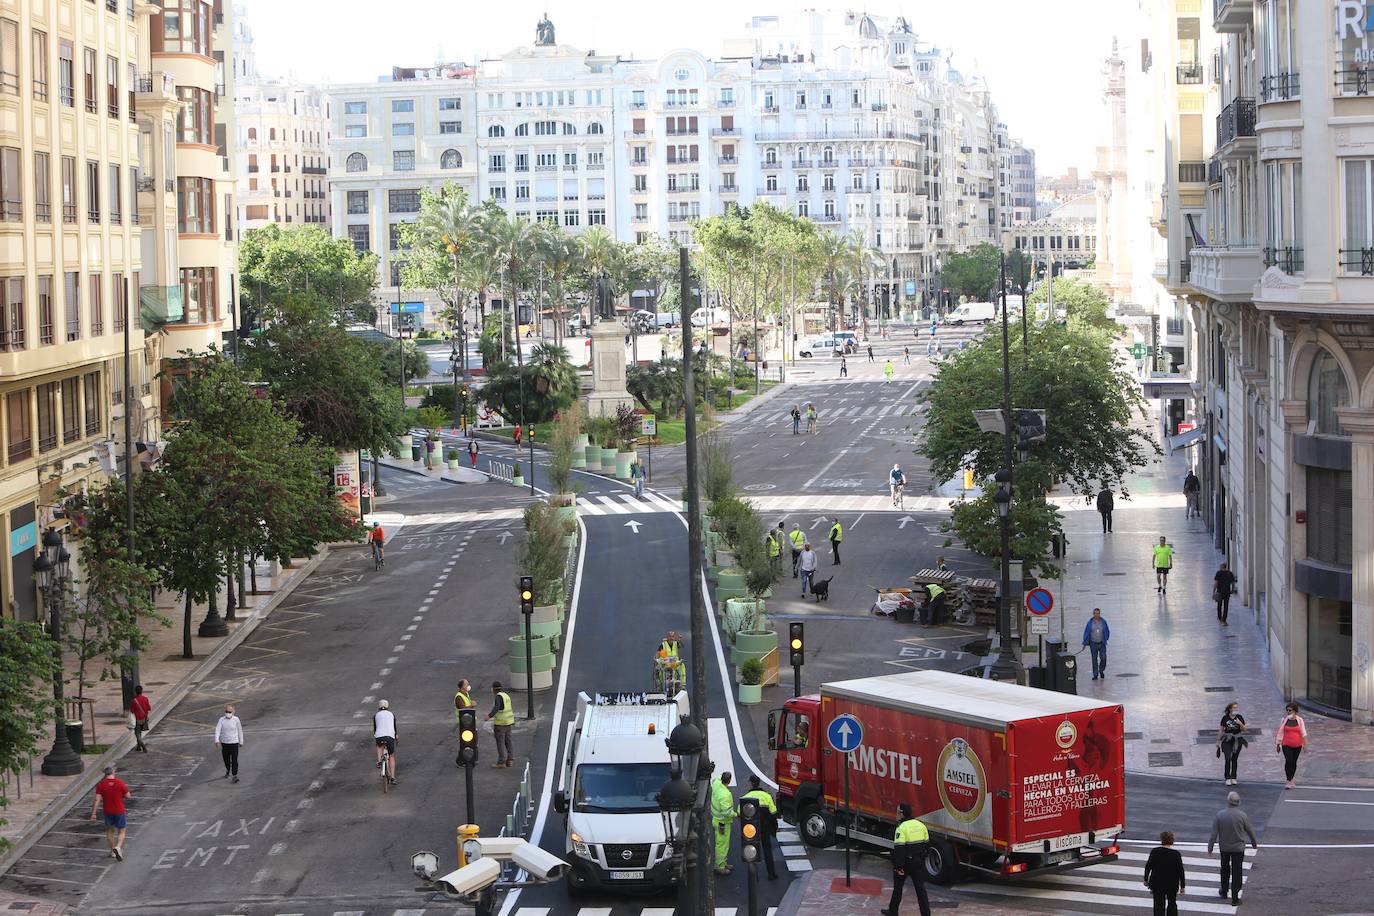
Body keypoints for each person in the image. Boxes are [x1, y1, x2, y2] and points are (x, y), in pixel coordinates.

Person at [1207, 791, 1258, 905]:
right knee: (1237, 871)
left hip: (1224, 847)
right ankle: (1235, 897)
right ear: (1238, 803)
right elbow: (1249, 830)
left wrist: (1210, 848)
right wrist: (1254, 842)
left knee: (1224, 869)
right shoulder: (1242, 815)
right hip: (1238, 848)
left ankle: (1224, 891)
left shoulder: (1220, 815)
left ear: (1228, 801)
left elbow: (1214, 834)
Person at [881, 802, 931, 916]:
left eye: (897, 811)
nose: (896, 814)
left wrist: (898, 867)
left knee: (898, 888)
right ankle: (926, 914)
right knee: (920, 890)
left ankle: (893, 912)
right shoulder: (921, 825)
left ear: (901, 813)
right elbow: (927, 846)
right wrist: (921, 858)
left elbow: (899, 850)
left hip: (905, 864)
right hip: (918, 862)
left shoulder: (901, 828)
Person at [739, 775, 779, 880]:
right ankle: (771, 874)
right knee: (767, 850)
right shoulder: (767, 796)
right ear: (759, 783)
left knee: (752, 851)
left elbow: (739, 813)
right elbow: (774, 812)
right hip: (765, 828)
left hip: (751, 829)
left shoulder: (746, 797)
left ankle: (754, 877)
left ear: (751, 783)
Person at [90, 765, 129, 861]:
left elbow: (96, 799)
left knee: (109, 832)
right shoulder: (120, 783)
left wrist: (93, 813)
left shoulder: (101, 785)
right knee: (122, 830)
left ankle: (112, 851)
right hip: (119, 811)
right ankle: (118, 847)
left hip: (108, 812)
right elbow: (128, 796)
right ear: (113, 772)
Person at [1143, 830, 1186, 916]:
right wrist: (1182, 886)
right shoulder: (1176, 854)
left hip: (1157, 883)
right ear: (1172, 840)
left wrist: (1146, 879)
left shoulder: (1155, 851)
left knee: (1158, 905)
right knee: (1172, 903)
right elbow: (1180, 871)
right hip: (1172, 884)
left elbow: (1148, 866)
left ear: (1162, 839)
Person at [1276, 703, 1308, 789]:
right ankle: (1288, 780)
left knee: (1294, 762)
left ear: (1295, 711)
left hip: (1297, 745)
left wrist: (1305, 745)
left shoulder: (1300, 720)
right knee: (1289, 761)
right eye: (1287, 710)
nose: (1288, 712)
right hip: (1286, 744)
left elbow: (1303, 733)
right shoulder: (1284, 720)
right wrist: (1278, 744)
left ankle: (1292, 778)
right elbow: (1280, 732)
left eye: (1290, 710)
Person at [485, 681, 516, 768]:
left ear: (494, 689)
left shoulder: (498, 697)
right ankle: (510, 760)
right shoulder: (506, 696)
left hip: (500, 724)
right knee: (508, 742)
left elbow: (497, 707)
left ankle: (501, 762)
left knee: (500, 743)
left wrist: (489, 716)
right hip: (508, 723)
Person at [710, 771, 736, 875]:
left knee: (722, 844)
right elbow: (727, 812)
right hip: (722, 823)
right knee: (722, 845)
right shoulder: (725, 795)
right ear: (729, 781)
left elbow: (714, 779)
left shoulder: (716, 784)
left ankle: (723, 863)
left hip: (717, 819)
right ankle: (720, 866)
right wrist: (736, 815)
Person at [1218, 702, 1247, 786]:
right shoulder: (1225, 718)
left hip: (1237, 740)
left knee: (1234, 758)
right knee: (1227, 757)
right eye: (1234, 708)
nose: (1236, 709)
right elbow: (1221, 730)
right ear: (1230, 709)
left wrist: (1240, 723)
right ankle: (1227, 777)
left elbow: (1244, 729)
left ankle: (1233, 777)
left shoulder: (1239, 717)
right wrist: (1218, 741)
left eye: (1236, 708)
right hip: (1227, 740)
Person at [214, 705, 243, 783]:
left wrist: (241, 741)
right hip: (225, 743)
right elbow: (217, 730)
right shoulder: (221, 720)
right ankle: (228, 769)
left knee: (234, 759)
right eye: (226, 712)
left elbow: (240, 730)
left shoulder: (236, 719)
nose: (228, 713)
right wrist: (217, 740)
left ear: (233, 712)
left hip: (234, 742)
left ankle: (234, 775)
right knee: (226, 759)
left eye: (229, 712)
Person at [374, 699, 398, 785]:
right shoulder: (391, 714)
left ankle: (379, 761)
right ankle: (393, 777)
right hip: (390, 736)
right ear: (387, 706)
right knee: (391, 756)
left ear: (379, 707)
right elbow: (394, 727)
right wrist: (396, 736)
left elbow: (375, 728)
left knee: (379, 746)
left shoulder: (376, 715)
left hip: (379, 736)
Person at [1082, 607, 1110, 680]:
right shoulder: (1090, 623)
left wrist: (1106, 638)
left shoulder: (1103, 622)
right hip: (1093, 643)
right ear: (1093, 614)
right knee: (1094, 659)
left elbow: (1107, 630)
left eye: (1098, 613)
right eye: (1095, 613)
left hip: (1102, 643)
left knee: (1103, 658)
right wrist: (1085, 643)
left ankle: (1101, 670)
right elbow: (1086, 633)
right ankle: (1095, 674)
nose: (1097, 615)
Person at [128, 685, 151, 753]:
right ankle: (138, 746)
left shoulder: (133, 701)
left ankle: (142, 745)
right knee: (140, 732)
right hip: (144, 718)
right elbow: (148, 708)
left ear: (135, 692)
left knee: (137, 733)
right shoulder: (145, 698)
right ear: (141, 691)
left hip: (137, 719)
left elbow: (132, 711)